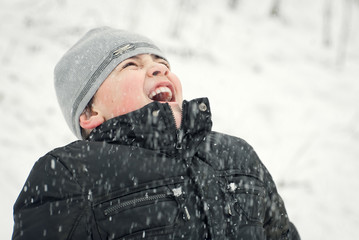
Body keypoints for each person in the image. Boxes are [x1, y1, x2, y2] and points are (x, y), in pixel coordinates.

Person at [12, 26, 300, 240]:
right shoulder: (72, 173)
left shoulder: (236, 154)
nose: (157, 70)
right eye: (130, 65)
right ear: (89, 114)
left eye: (162, 65)